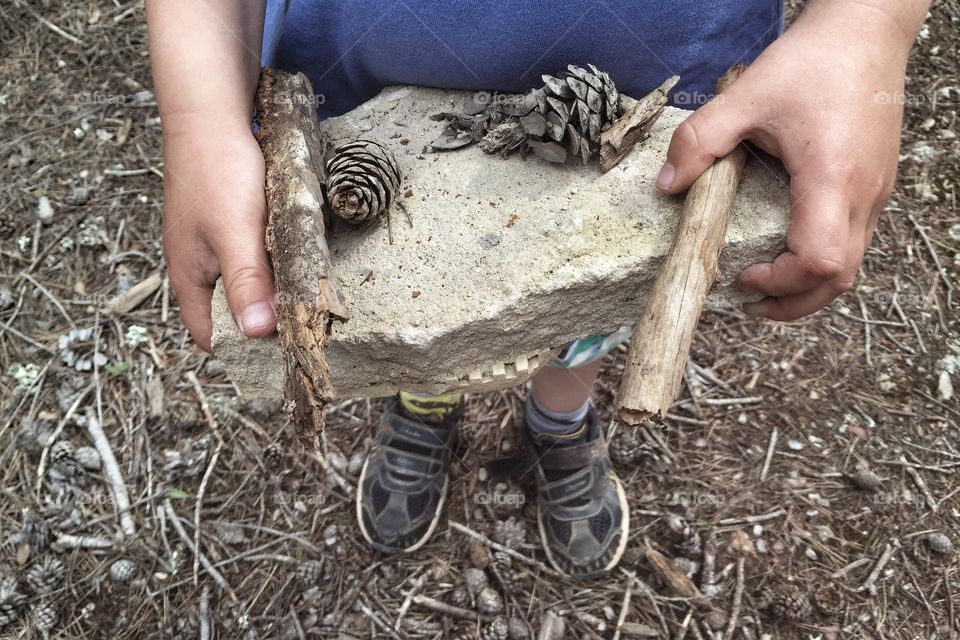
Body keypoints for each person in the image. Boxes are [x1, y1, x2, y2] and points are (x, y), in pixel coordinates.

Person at [146, 0, 930, 578]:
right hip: (348, 75)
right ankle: (421, 398)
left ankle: (559, 416)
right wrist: (197, 112)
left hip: (658, 87)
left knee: (586, 307)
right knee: (391, 294)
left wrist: (866, 27)